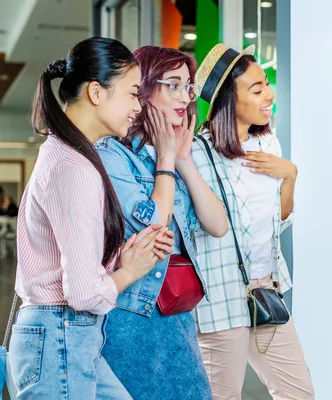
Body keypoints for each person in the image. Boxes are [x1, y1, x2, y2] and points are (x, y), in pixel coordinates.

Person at [9, 37, 174, 399]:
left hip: (67, 336)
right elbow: (84, 293)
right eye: (132, 93)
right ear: (97, 93)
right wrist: (129, 271)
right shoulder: (74, 167)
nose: (138, 106)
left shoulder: (66, 154)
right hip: (61, 336)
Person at [95, 45, 227, 400]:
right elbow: (155, 224)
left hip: (177, 315)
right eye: (173, 84)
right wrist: (166, 159)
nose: (185, 96)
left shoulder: (179, 151)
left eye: (188, 87)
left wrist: (182, 159)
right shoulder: (113, 155)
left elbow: (218, 225)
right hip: (130, 316)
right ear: (144, 88)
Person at [191, 43, 315, 399]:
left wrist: (290, 175)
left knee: (299, 393)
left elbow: (279, 218)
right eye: (257, 88)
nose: (269, 94)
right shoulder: (200, 155)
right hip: (220, 299)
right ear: (229, 100)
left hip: (265, 293)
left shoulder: (268, 145)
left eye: (266, 84)